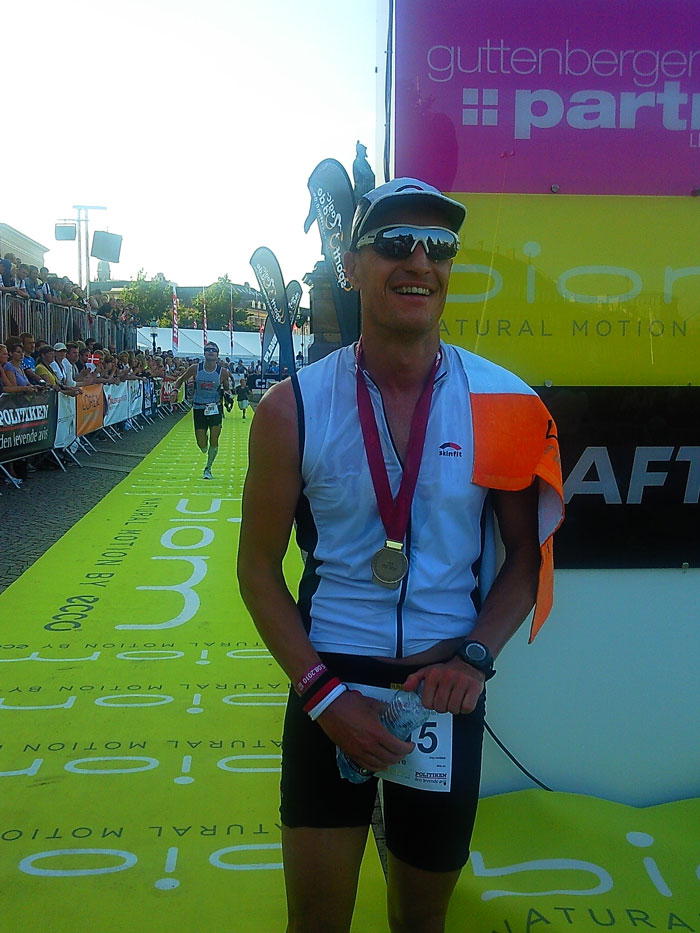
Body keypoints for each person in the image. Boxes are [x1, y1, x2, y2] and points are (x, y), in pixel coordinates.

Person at [237, 177, 564, 933]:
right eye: (393, 243)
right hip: (329, 685)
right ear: (353, 266)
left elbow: (526, 558)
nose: (419, 260)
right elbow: (257, 572)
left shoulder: (505, 403)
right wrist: (323, 696)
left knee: (421, 922)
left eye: (439, 246)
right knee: (315, 921)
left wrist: (475, 658)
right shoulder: (291, 407)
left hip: (444, 689)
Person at [170, 342, 228, 479]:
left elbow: (226, 388)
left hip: (214, 407)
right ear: (204, 353)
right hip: (199, 407)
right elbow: (180, 380)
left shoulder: (223, 372)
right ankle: (204, 442)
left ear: (217, 354)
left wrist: (227, 395)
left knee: (214, 439)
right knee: (202, 445)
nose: (211, 352)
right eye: (208, 349)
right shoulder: (195, 368)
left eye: (214, 350)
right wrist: (175, 390)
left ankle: (208, 468)